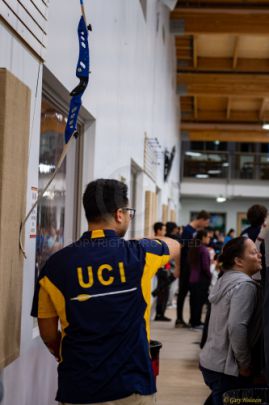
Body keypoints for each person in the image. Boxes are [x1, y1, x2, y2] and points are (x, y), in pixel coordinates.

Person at [31, 179, 180, 405]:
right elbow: (174, 244)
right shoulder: (140, 255)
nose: (129, 217)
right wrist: (140, 241)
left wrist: (60, 353)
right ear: (119, 214)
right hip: (132, 386)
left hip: (79, 387)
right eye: (129, 212)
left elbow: (49, 333)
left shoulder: (54, 266)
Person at [200, 237, 263, 405]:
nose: (260, 255)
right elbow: (236, 327)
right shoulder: (245, 286)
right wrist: (244, 364)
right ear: (239, 261)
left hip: (210, 361)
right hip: (226, 368)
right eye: (253, 252)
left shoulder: (225, 279)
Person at [175, 210, 210, 328]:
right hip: (185, 266)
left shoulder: (195, 231)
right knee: (182, 293)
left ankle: (193, 320)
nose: (206, 226)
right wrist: (178, 267)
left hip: (192, 268)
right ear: (201, 219)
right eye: (206, 223)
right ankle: (179, 319)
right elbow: (179, 249)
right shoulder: (187, 231)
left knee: (193, 295)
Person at [188, 230, 211, 329]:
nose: (209, 239)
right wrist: (210, 276)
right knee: (199, 302)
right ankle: (196, 323)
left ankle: (193, 321)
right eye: (208, 237)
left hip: (192, 279)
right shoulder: (203, 250)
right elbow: (205, 266)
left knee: (193, 301)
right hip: (201, 279)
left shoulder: (194, 248)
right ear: (203, 237)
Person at [152, 222, 172, 321]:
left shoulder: (163, 240)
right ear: (158, 230)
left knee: (165, 292)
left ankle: (161, 313)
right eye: (163, 229)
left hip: (165, 268)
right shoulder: (155, 241)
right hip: (160, 269)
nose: (165, 231)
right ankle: (159, 314)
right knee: (162, 292)